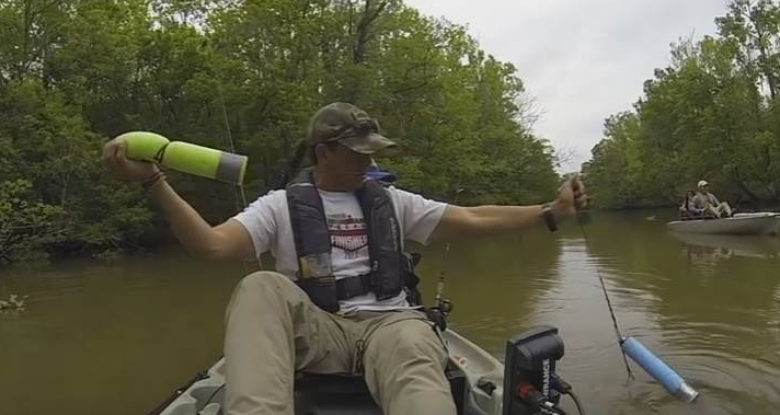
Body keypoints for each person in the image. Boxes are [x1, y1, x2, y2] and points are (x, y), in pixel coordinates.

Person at [102, 102, 587, 415]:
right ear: (323, 152)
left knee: (413, 344)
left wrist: (550, 211)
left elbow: (475, 220)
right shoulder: (279, 206)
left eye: (373, 152)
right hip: (322, 331)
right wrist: (154, 182)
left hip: (391, 325)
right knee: (260, 287)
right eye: (358, 153)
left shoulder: (391, 201)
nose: (369, 163)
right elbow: (210, 247)